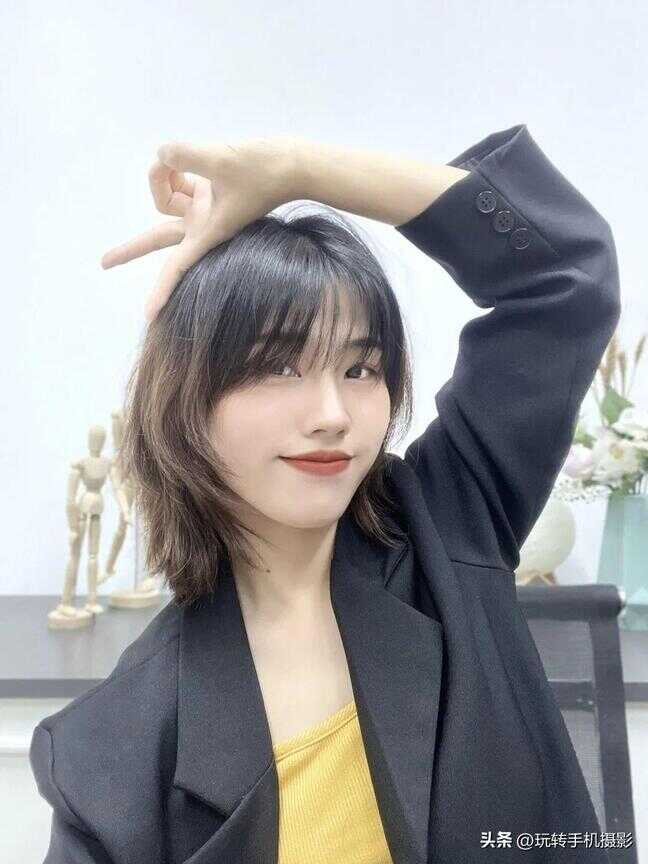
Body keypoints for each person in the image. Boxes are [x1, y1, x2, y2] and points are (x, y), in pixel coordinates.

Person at [29, 124, 621, 863]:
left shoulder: (449, 523)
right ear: (186, 401)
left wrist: (297, 168)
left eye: (360, 369)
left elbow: (566, 276)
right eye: (279, 367)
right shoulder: (109, 752)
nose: (333, 415)